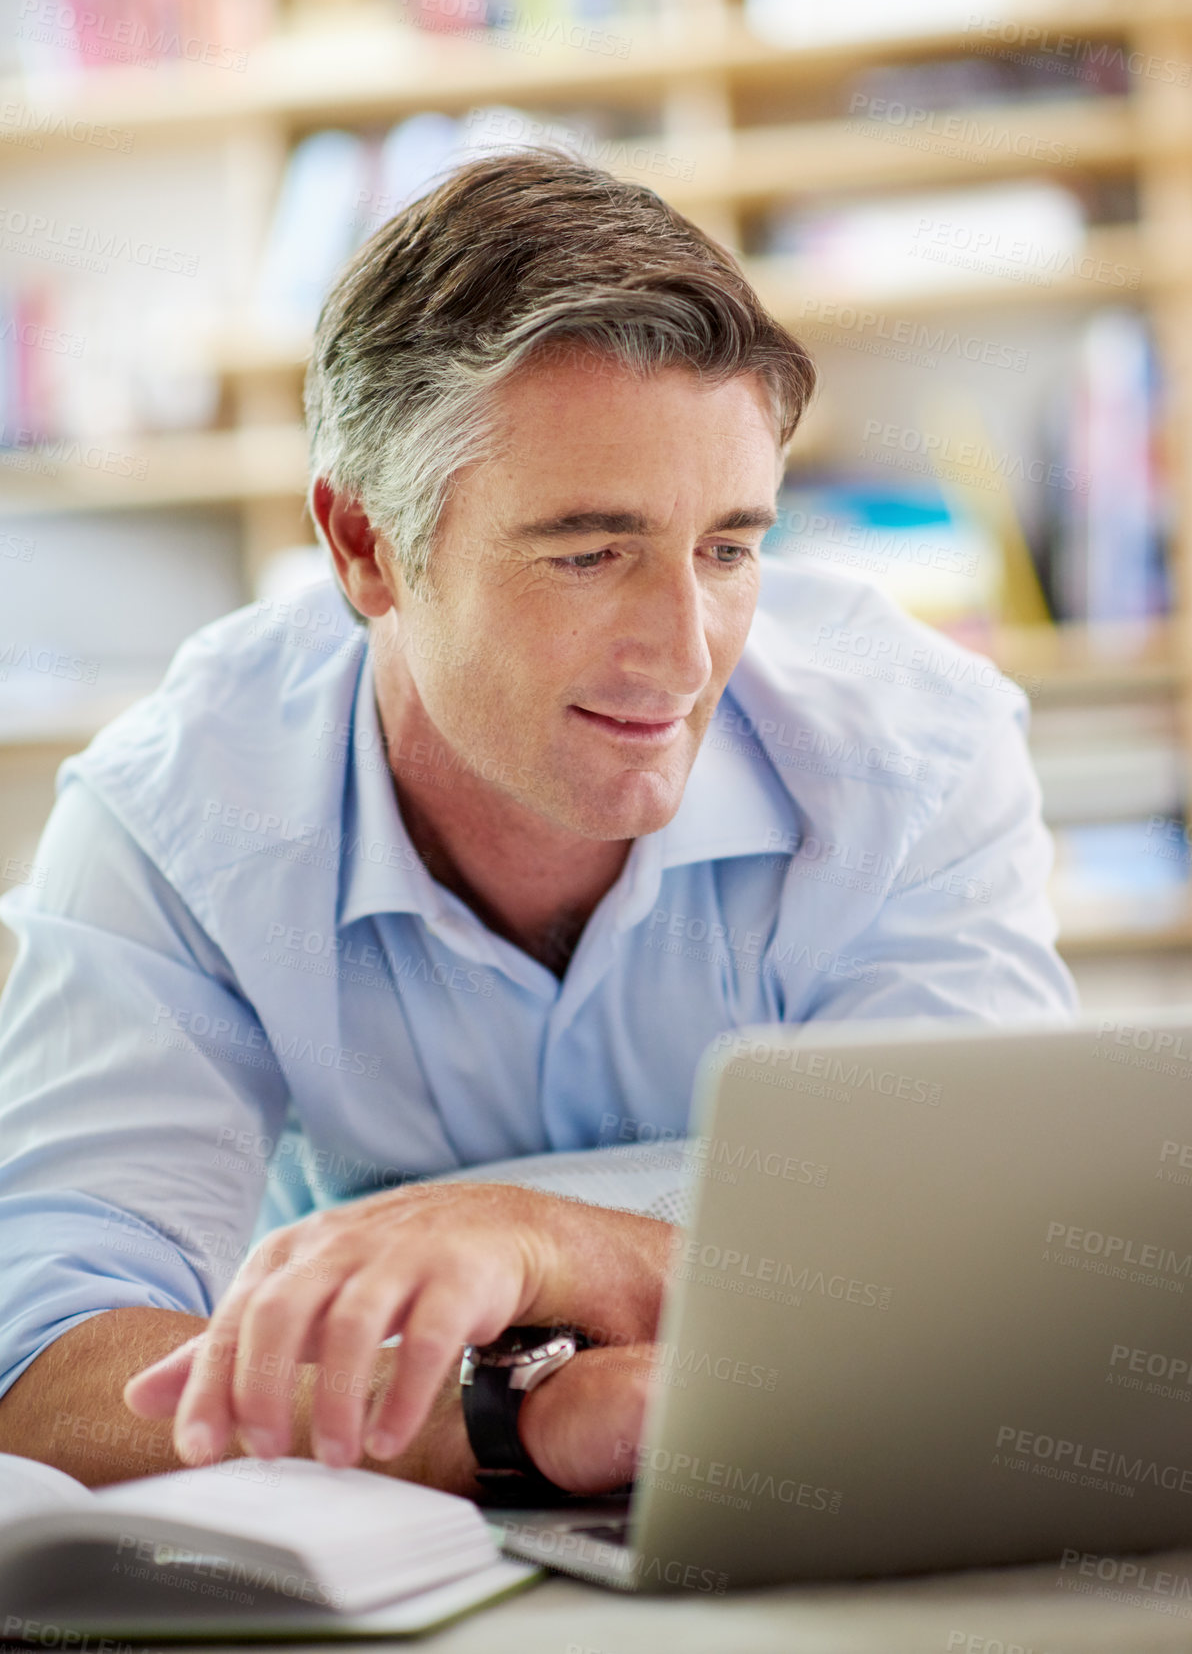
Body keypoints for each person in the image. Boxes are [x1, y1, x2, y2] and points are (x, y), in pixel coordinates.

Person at [0, 146, 1077, 1498]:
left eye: (730, 549)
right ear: (367, 548)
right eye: (588, 553)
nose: (685, 654)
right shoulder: (175, 822)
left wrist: (566, 1245)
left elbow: (1002, 1284)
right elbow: (50, 1375)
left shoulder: (913, 759)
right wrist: (520, 1420)